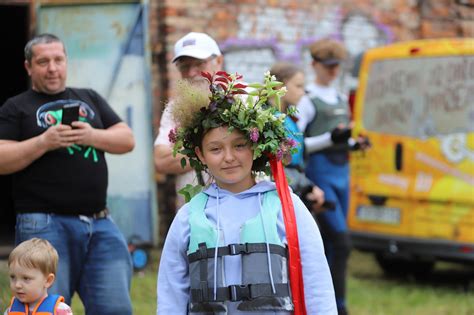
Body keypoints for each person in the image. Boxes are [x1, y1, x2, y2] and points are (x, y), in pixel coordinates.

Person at [157, 71, 337, 314]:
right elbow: (171, 297)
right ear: (200, 155)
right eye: (216, 148)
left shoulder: (287, 208)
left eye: (239, 145)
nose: (229, 157)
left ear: (255, 146)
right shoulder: (188, 216)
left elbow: (317, 285)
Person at [0, 33, 135, 315]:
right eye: (43, 61)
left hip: (100, 224)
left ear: (66, 62)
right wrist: (43, 142)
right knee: (45, 310)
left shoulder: (89, 98)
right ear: (28, 67)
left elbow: (126, 139)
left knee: (115, 309)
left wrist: (91, 135)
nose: (52, 68)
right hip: (45, 226)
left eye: (58, 60)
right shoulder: (16, 107)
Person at [297, 38, 369, 315]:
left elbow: (340, 140)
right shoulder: (307, 99)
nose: (333, 71)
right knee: (341, 243)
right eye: (327, 66)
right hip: (321, 177)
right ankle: (339, 307)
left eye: (336, 66)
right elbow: (299, 143)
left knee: (331, 245)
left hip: (342, 174)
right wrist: (331, 137)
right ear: (315, 65)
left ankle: (324, 305)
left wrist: (353, 144)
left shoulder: (340, 98)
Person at [154, 32, 224, 207]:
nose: (192, 72)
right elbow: (161, 161)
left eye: (200, 64)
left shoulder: (243, 99)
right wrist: (217, 149)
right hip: (193, 211)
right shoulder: (175, 109)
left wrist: (190, 150)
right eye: (184, 67)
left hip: (244, 208)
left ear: (219, 61)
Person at [269, 61, 327, 214]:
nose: (302, 92)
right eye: (298, 86)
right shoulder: (270, 120)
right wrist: (308, 186)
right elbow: (277, 166)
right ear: (278, 87)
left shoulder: (287, 118)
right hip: (281, 196)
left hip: (294, 191)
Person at [5, 238, 73, 315]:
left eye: (26, 278)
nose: (17, 285)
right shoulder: (11, 310)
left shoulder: (60, 310)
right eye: (13, 277)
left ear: (48, 280)